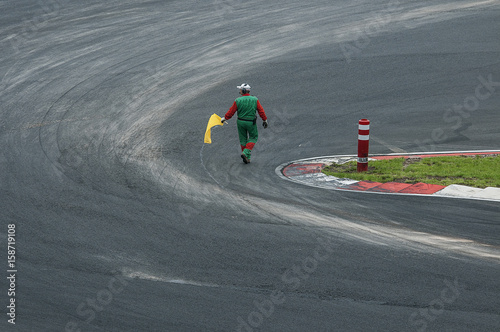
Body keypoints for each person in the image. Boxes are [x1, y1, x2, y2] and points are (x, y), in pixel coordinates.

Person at [221, 83, 268, 164]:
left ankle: (247, 157)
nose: (239, 91)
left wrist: (225, 118)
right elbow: (261, 111)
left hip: (240, 122)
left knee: (243, 139)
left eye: (240, 90)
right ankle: (246, 153)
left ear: (243, 90)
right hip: (251, 122)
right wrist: (265, 120)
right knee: (253, 137)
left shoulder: (238, 100)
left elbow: (231, 112)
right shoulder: (255, 99)